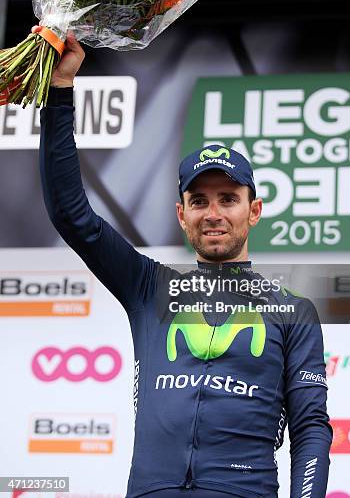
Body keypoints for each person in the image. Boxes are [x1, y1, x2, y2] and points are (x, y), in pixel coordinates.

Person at [36, 25, 333, 498]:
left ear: (253, 211)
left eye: (227, 199)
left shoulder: (293, 312)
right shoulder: (148, 286)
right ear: (182, 215)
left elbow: (311, 428)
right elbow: (71, 215)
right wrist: (60, 91)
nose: (213, 214)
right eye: (199, 201)